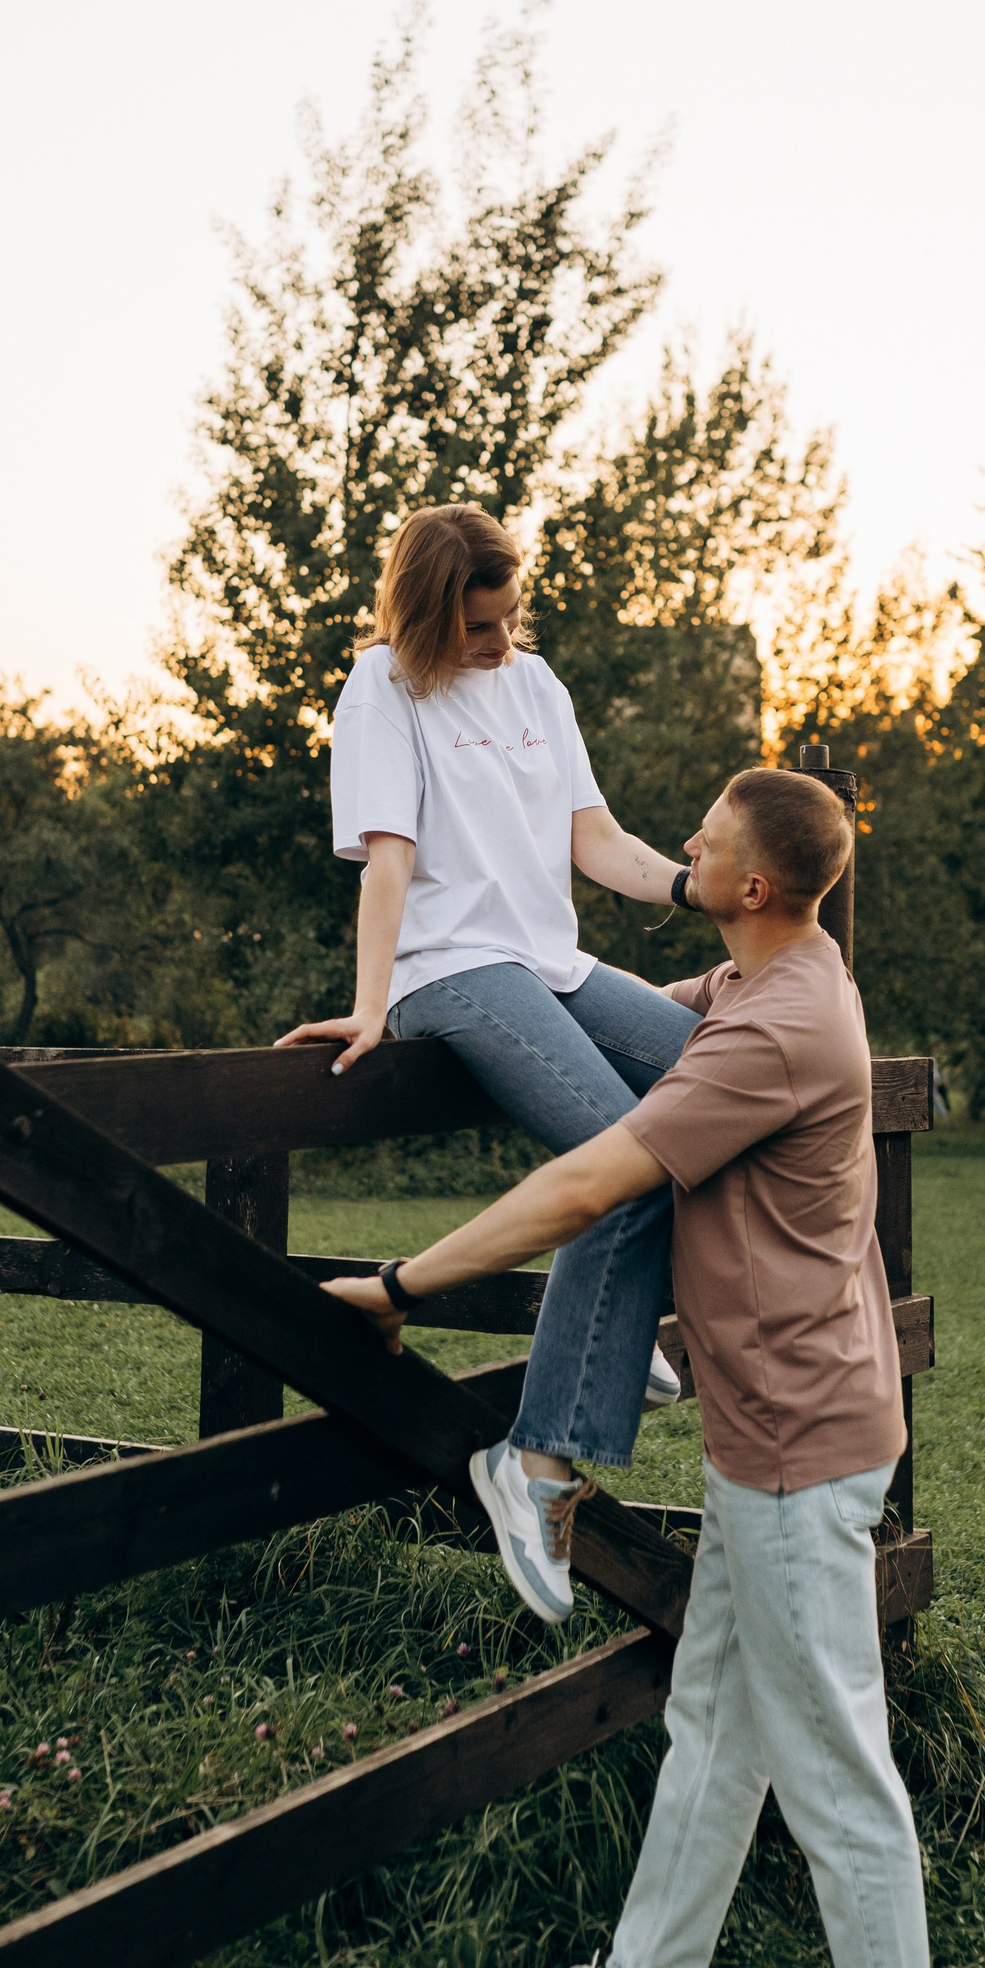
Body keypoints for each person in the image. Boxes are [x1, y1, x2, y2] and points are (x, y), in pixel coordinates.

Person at [322, 766, 945, 1968]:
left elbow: (589, 1182)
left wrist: (404, 1282)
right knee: (717, 1720)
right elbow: (615, 1014)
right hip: (772, 1426)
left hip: (798, 1445)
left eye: (704, 846)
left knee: (831, 1755)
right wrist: (450, 1008)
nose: (684, 854)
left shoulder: (775, 1029)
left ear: (754, 886)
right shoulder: (774, 978)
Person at [279, 502, 702, 1624]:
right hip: (453, 968)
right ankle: (535, 1461)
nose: (501, 642)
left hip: (551, 962)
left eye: (511, 618)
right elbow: (388, 861)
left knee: (716, 1076)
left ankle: (622, 1326)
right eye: (478, 627)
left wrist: (689, 887)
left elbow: (592, 839)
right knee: (625, 1162)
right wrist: (371, 1006)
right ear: (426, 616)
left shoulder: (537, 684)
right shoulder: (382, 691)